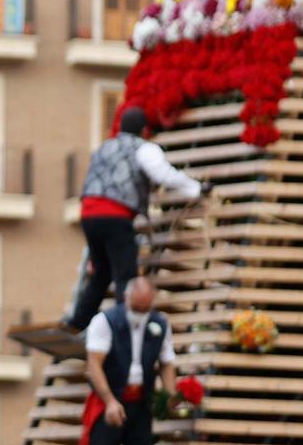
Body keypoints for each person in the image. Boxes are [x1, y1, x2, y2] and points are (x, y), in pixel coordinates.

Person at [67, 105, 207, 330]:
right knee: (126, 275)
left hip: (89, 214)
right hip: (115, 215)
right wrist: (196, 189)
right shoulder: (144, 149)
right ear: (144, 130)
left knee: (101, 273)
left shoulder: (105, 147)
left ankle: (78, 323)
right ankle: (126, 329)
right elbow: (163, 174)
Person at [78, 276, 176, 445]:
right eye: (137, 307)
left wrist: (169, 394)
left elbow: (167, 362)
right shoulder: (105, 321)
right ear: (127, 299)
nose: (141, 313)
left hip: (140, 402)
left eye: (146, 308)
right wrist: (110, 400)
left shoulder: (160, 324)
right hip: (109, 398)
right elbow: (94, 364)